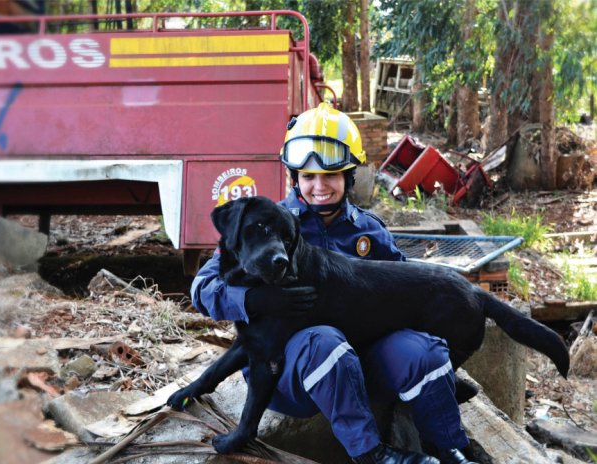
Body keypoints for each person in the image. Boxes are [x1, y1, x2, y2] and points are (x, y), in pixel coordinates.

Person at [188, 103, 476, 464]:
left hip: (365, 360)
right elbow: (202, 290)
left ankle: (449, 448)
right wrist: (254, 301)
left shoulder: (369, 231)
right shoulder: (264, 225)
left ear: (348, 177)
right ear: (294, 177)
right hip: (292, 371)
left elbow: (406, 292)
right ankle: (372, 454)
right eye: (308, 177)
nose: (318, 187)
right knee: (326, 341)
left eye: (331, 176)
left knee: (423, 350)